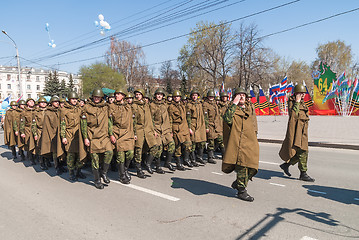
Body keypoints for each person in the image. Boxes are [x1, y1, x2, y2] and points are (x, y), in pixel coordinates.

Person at [222, 87, 259, 202]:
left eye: (243, 94)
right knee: (242, 167)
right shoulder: (231, 109)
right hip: (238, 143)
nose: (242, 96)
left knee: (253, 167)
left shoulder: (249, 108)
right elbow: (227, 119)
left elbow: (253, 123)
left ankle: (238, 183)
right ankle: (241, 191)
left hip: (250, 142)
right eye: (239, 95)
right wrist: (234, 103)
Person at [279, 84, 315, 182]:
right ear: (296, 93)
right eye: (301, 93)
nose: (303, 95)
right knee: (303, 152)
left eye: (304, 93)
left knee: (301, 152)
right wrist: (297, 102)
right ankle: (303, 173)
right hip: (296, 131)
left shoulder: (302, 103)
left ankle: (286, 165)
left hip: (303, 131)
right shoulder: (293, 102)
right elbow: (293, 116)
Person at [81, 88, 113, 189]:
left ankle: (104, 172)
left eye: (98, 97)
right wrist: (85, 138)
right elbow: (83, 124)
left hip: (104, 136)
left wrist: (111, 134)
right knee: (95, 159)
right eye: (95, 97)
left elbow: (110, 122)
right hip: (92, 136)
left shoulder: (106, 107)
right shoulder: (86, 107)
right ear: (92, 97)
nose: (96, 99)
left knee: (109, 152)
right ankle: (97, 180)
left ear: (101, 97)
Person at [132, 89, 161, 178]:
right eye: (136, 94)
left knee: (155, 146)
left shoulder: (146, 105)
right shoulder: (134, 105)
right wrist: (134, 133)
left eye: (139, 94)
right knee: (138, 150)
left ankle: (148, 163)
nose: (137, 96)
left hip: (148, 130)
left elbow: (150, 119)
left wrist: (154, 130)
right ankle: (139, 170)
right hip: (139, 130)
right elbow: (133, 121)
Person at [58, 91, 87, 181]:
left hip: (79, 135)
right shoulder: (64, 110)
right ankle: (71, 173)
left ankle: (78, 171)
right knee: (71, 156)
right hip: (69, 134)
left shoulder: (80, 109)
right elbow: (62, 124)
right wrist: (63, 137)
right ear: (69, 99)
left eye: (75, 99)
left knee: (80, 154)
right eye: (73, 99)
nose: (74, 100)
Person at [109, 88, 135, 184]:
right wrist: (111, 134)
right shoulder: (111, 107)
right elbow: (109, 122)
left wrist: (134, 133)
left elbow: (133, 121)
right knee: (120, 155)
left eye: (119, 94)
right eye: (116, 94)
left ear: (123, 96)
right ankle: (122, 175)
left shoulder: (128, 106)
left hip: (128, 133)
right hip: (117, 133)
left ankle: (125, 169)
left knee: (130, 153)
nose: (117, 95)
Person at [149, 88, 176, 172]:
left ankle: (167, 162)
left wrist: (170, 130)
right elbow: (150, 119)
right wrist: (153, 130)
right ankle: (156, 166)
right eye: (158, 94)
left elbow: (168, 118)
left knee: (171, 144)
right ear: (155, 95)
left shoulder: (165, 105)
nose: (159, 96)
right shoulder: (152, 105)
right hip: (156, 128)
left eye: (161, 94)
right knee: (158, 148)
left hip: (165, 129)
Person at [41, 96, 67, 175]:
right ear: (51, 103)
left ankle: (61, 165)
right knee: (55, 152)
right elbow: (47, 126)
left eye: (58, 102)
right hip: (53, 134)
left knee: (62, 150)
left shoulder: (60, 111)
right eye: (55, 102)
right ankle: (57, 167)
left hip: (60, 133)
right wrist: (50, 135)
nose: (57, 103)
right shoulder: (48, 112)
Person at [167, 90, 190, 171]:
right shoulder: (171, 107)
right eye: (175, 97)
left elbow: (186, 117)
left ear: (180, 97)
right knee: (178, 146)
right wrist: (170, 131)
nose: (176, 98)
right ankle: (178, 163)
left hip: (184, 127)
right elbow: (169, 119)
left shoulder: (183, 105)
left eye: (178, 96)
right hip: (176, 127)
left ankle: (186, 160)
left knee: (188, 144)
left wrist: (188, 127)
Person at [186, 88, 207, 166]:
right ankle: (192, 159)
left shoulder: (200, 104)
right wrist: (189, 127)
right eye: (193, 95)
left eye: (196, 95)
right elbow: (188, 117)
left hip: (200, 124)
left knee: (202, 142)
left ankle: (199, 157)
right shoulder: (189, 105)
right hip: (193, 124)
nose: (194, 97)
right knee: (193, 143)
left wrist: (205, 125)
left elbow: (204, 116)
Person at [203, 89, 224, 162]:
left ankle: (224, 155)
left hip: (217, 125)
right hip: (210, 124)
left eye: (212, 96)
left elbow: (218, 115)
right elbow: (205, 116)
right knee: (211, 141)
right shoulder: (205, 104)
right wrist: (206, 127)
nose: (211, 98)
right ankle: (210, 157)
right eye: (210, 96)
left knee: (221, 140)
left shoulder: (215, 104)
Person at [32, 97, 50, 170]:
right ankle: (42, 163)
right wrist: (35, 134)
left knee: (47, 146)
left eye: (45, 102)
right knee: (40, 147)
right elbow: (34, 124)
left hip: (47, 131)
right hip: (40, 131)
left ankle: (47, 161)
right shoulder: (36, 113)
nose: (43, 104)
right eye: (42, 102)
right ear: (39, 104)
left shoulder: (48, 111)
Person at [20, 98, 37, 165]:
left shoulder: (36, 110)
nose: (32, 102)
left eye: (33, 101)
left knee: (36, 144)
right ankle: (31, 158)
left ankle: (36, 156)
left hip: (36, 129)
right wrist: (22, 132)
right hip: (28, 129)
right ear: (27, 103)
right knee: (30, 144)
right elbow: (22, 123)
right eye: (30, 101)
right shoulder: (24, 112)